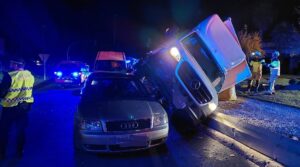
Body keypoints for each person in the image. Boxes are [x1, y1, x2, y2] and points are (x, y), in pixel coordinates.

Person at [0, 57, 35, 159]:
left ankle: (2, 153)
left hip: (9, 108)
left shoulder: (10, 76)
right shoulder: (29, 75)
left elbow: (2, 93)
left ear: (16, 65)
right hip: (24, 107)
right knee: (21, 130)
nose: (10, 65)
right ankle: (19, 152)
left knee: (4, 131)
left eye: (12, 63)